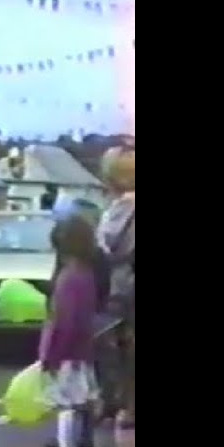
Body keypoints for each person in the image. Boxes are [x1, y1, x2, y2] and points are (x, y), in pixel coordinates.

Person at [36, 214, 102, 447]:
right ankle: (83, 441)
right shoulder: (86, 274)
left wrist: (52, 356)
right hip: (83, 349)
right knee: (82, 399)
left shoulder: (67, 278)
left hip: (67, 353)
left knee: (65, 402)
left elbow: (64, 321)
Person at [97, 140, 135, 428]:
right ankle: (120, 403)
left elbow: (107, 246)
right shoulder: (117, 208)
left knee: (118, 348)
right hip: (121, 285)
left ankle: (121, 404)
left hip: (121, 285)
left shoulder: (120, 210)